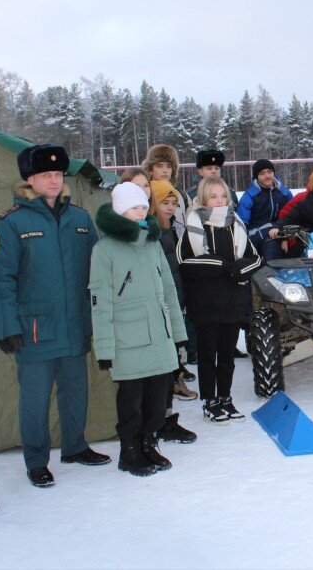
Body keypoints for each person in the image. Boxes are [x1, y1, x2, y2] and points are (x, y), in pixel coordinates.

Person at [0, 144, 110, 489]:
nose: (54, 181)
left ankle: (74, 447)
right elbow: (0, 279)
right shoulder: (12, 222)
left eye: (58, 175)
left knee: (75, 391)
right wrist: (7, 327)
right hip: (34, 328)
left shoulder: (80, 219)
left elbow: (95, 273)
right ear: (30, 179)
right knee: (35, 399)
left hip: (74, 324)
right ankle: (36, 461)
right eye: (46, 175)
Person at [89, 182, 187, 476]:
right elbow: (100, 301)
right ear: (120, 210)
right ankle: (129, 451)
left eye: (144, 206)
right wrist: (105, 349)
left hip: (159, 338)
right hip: (128, 341)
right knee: (132, 403)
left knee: (158, 401)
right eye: (135, 207)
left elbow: (169, 291)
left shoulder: (152, 244)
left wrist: (179, 335)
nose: (141, 211)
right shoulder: (104, 250)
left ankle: (148, 444)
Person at [178, 177, 262, 424]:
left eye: (222, 195)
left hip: (232, 300)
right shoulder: (194, 224)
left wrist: (239, 270)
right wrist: (225, 266)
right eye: (213, 196)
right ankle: (209, 400)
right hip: (205, 302)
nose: (219, 200)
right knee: (208, 354)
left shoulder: (236, 224)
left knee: (226, 354)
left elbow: (255, 258)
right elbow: (186, 262)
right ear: (203, 199)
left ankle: (225, 396)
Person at [150, 180, 200, 443]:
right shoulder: (152, 232)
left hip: (174, 296)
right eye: (164, 203)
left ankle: (167, 417)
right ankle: (158, 420)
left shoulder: (171, 229)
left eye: (173, 204)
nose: (169, 208)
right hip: (159, 304)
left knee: (172, 357)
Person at [142, 143, 200, 369]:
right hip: (159, 255)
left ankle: (184, 356)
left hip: (179, 254)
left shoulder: (182, 195)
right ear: (151, 168)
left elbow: (186, 224)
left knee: (181, 307)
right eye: (159, 165)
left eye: (169, 166)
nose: (164, 170)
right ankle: (172, 365)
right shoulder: (145, 193)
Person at [237, 158, 293, 263]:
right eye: (262, 173)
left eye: (269, 172)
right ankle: (269, 275)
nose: (267, 176)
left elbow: (292, 214)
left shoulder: (284, 193)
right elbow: (241, 223)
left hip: (280, 230)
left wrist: (285, 237)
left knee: (297, 245)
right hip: (258, 234)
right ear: (256, 177)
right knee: (272, 248)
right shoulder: (250, 196)